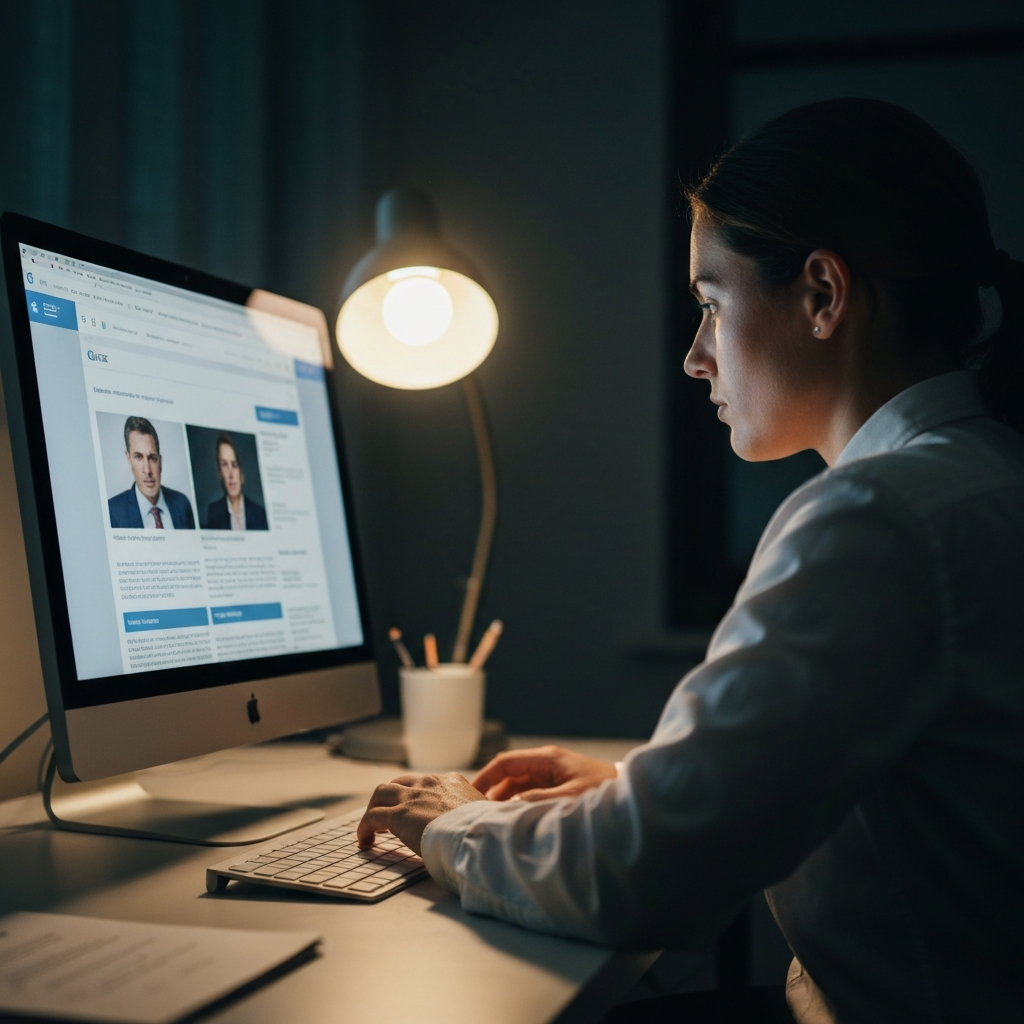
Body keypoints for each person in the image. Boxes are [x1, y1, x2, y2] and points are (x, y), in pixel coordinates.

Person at [358, 99, 1024, 1023]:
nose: (694, 357)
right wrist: (646, 789)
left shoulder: (878, 519)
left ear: (823, 295)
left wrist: (451, 822)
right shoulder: (980, 476)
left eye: (711, 304)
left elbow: (645, 881)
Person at [108, 416, 195, 529]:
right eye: (138, 457)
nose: (147, 470)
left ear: (160, 461)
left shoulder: (182, 503)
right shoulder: (113, 511)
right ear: (129, 459)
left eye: (152, 458)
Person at [203, 433, 268, 530]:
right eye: (224, 464)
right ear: (219, 472)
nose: (231, 474)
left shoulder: (260, 513)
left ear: (241, 472)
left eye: (235, 464)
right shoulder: (214, 512)